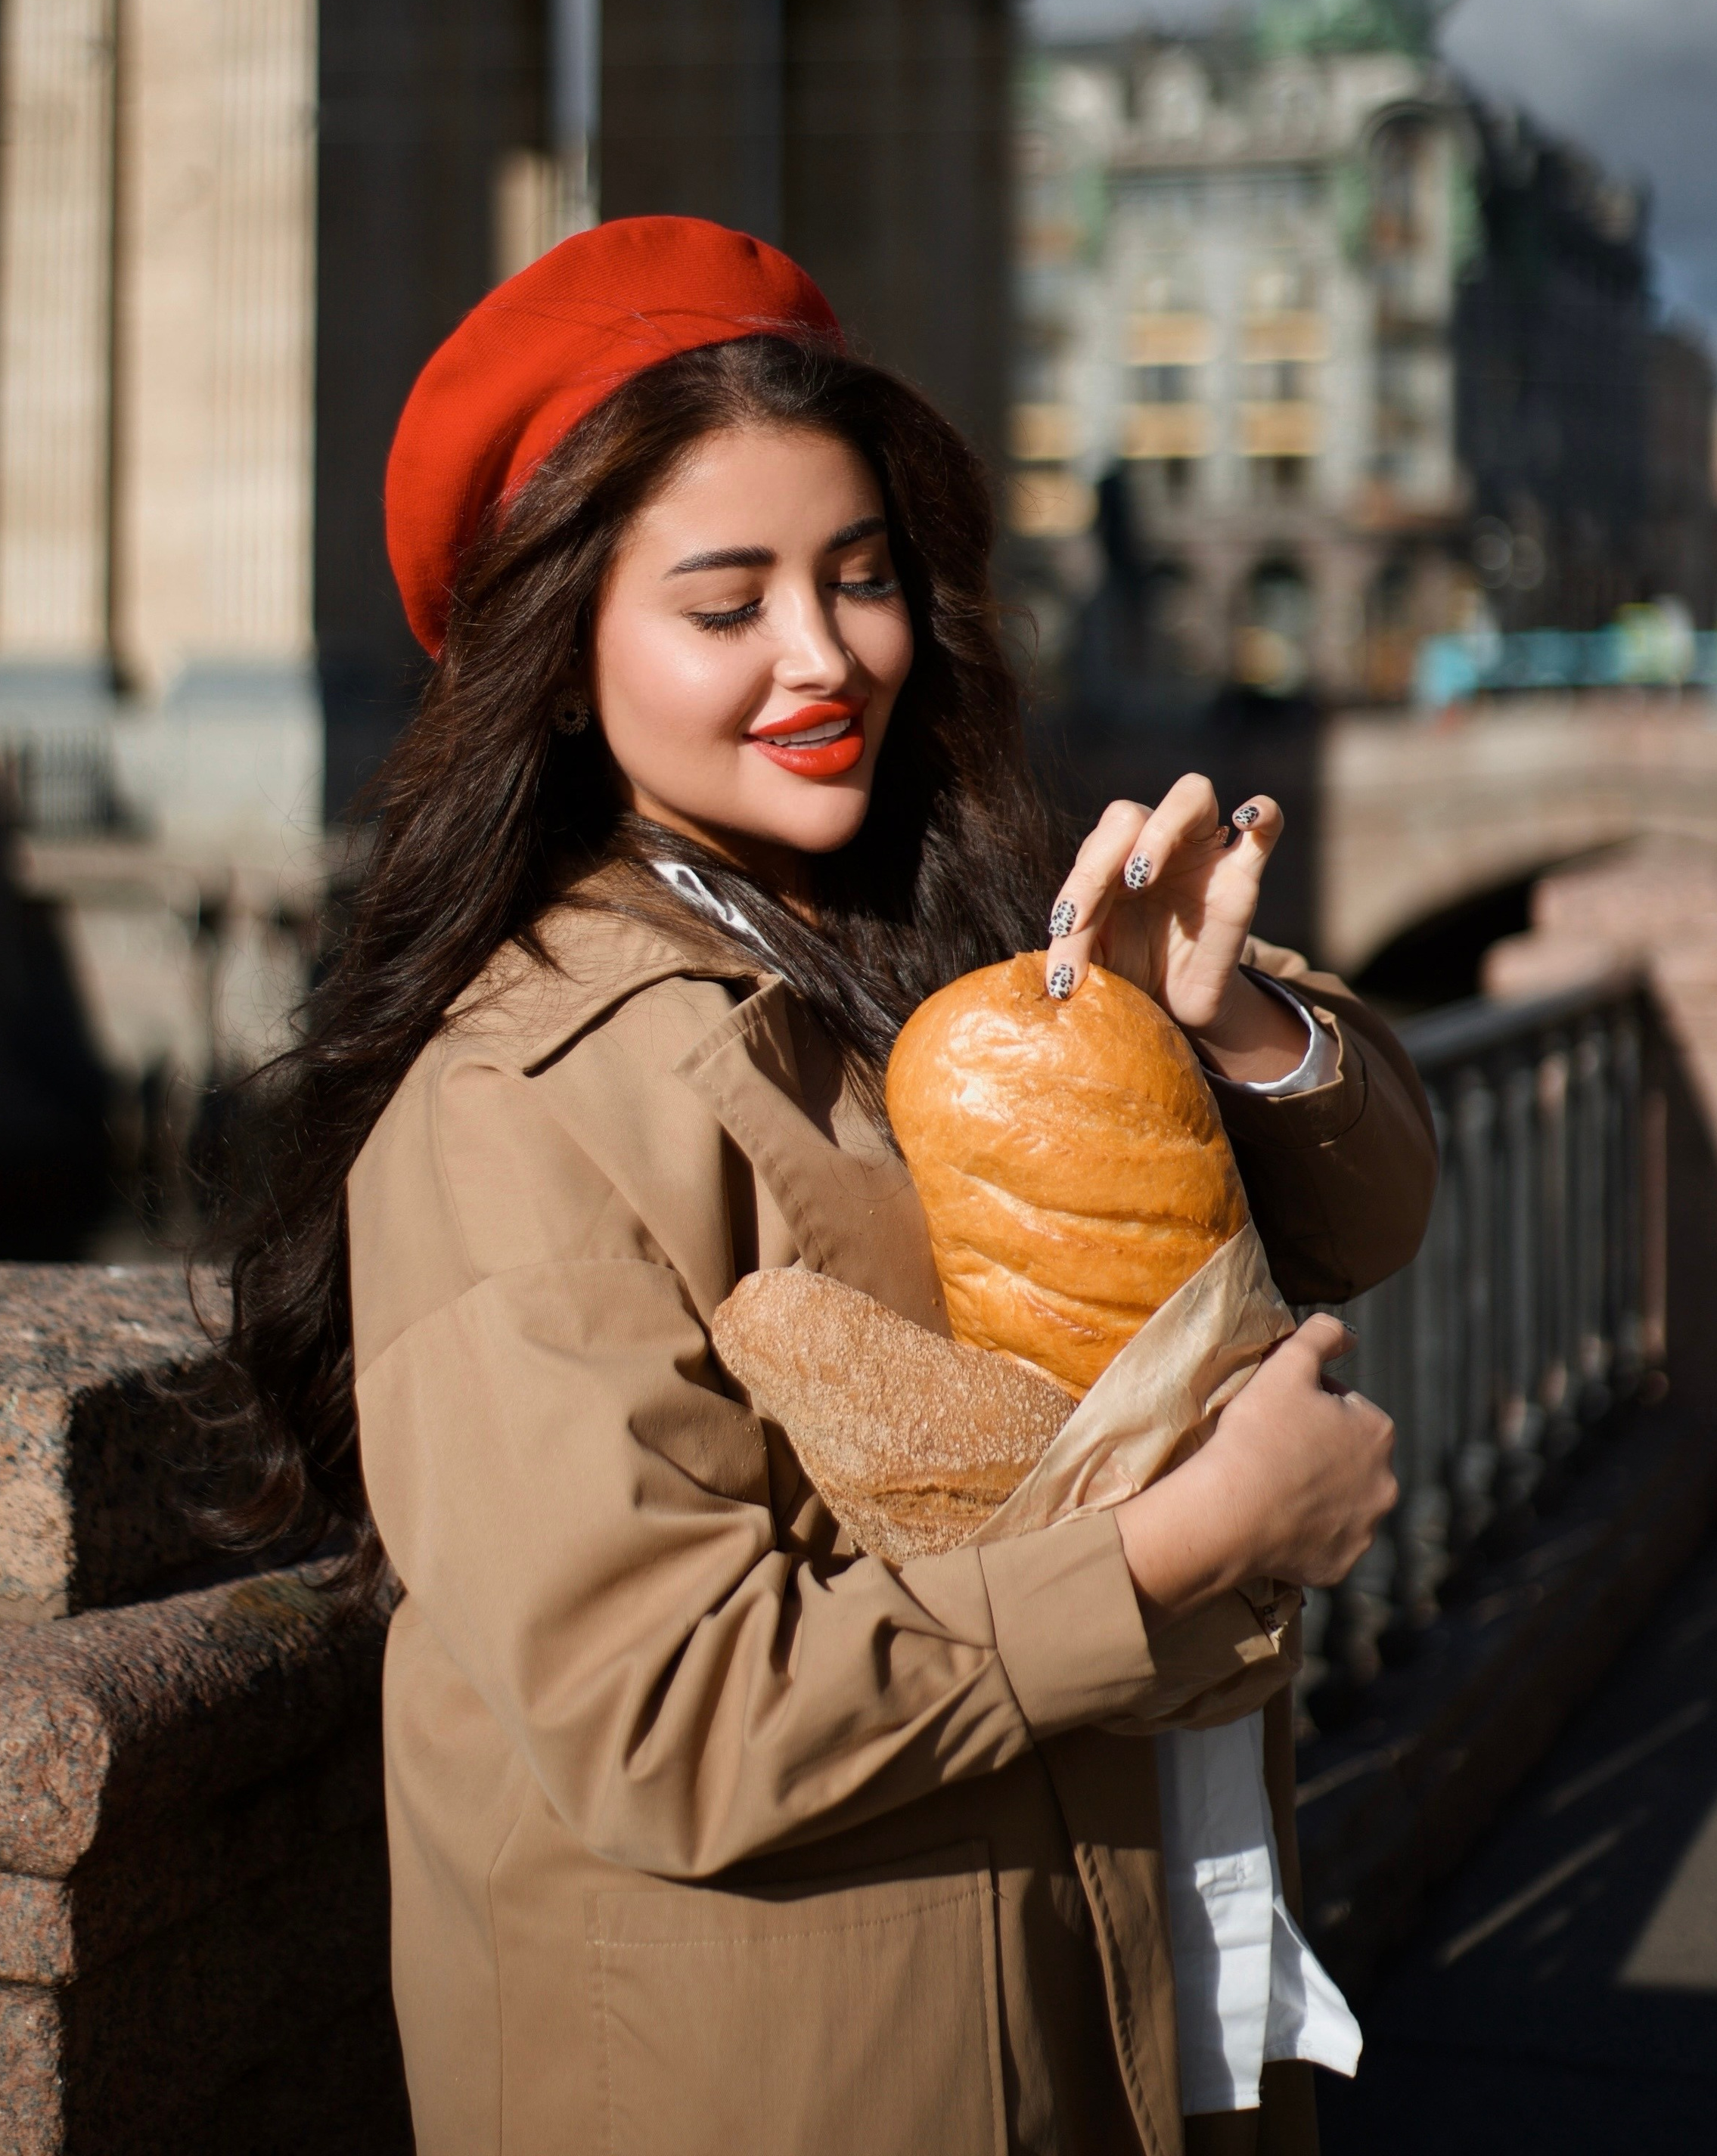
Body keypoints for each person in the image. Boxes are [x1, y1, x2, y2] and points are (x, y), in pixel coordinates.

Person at [218, 216, 1433, 2156]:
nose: (823, 658)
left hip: (1077, 1995)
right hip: (783, 2067)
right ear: (553, 661)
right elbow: (658, 1710)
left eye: (859, 578)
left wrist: (1219, 1039)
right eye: (725, 605)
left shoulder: (939, 928)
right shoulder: (510, 1098)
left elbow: (1360, 1219)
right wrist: (1185, 1549)